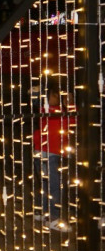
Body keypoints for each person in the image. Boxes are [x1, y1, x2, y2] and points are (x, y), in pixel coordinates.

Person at [33, 86, 74, 233]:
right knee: (54, 186)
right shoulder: (45, 110)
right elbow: (34, 98)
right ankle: (52, 218)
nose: (58, 96)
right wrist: (37, 92)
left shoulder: (61, 111)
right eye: (54, 94)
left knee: (46, 185)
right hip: (46, 154)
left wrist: (69, 102)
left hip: (50, 153)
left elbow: (72, 121)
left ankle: (41, 212)